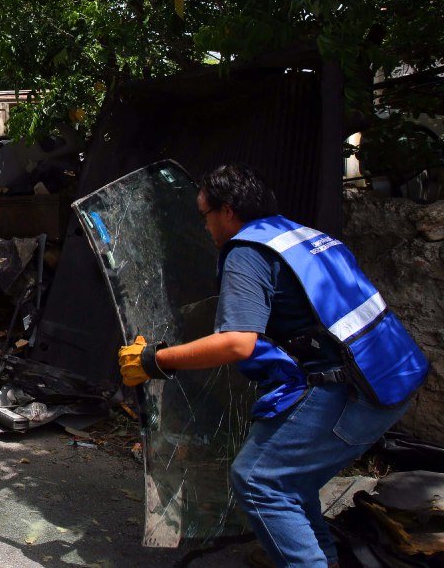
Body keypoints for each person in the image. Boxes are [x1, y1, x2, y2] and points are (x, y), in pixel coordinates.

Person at [119, 163, 428, 567]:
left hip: (354, 391)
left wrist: (154, 360)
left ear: (227, 211)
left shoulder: (247, 252)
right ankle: (321, 558)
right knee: (292, 483)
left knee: (259, 479)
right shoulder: (301, 236)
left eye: (205, 215)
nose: (205, 226)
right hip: (395, 374)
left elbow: (236, 343)